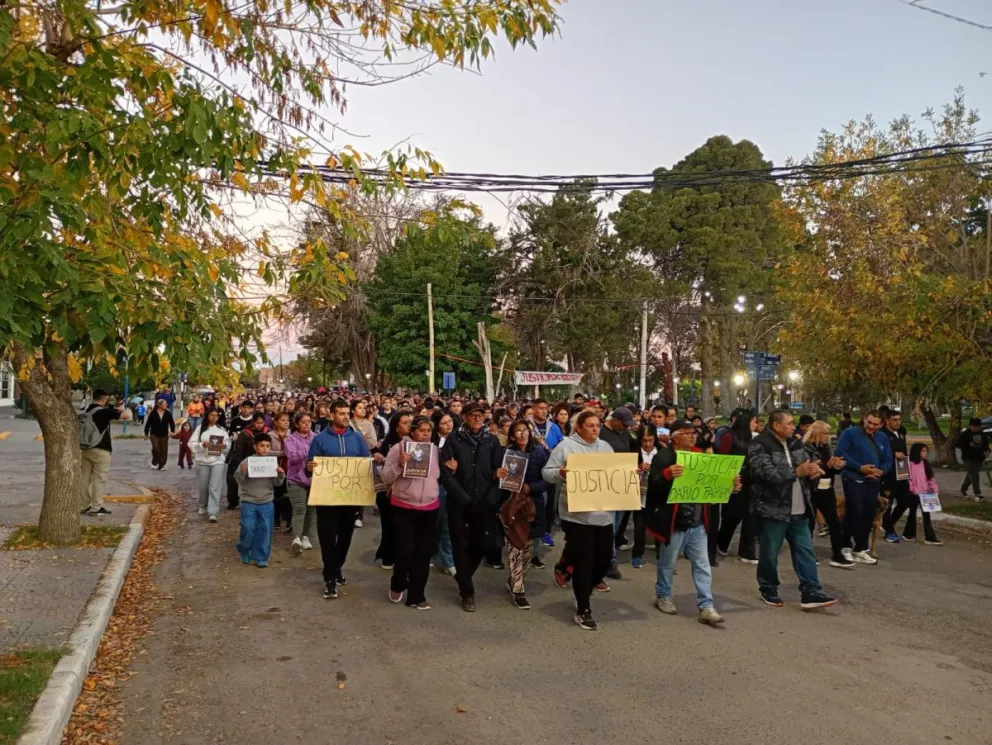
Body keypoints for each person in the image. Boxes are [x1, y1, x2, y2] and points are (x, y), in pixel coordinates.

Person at [646, 418, 739, 625]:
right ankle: (663, 595)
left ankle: (706, 605)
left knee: (702, 565)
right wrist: (666, 475)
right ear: (675, 437)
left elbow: (713, 484)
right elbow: (654, 485)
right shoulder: (663, 457)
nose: (692, 436)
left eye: (693, 433)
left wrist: (730, 485)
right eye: (687, 433)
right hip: (674, 522)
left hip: (697, 522)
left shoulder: (700, 456)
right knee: (667, 563)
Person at [748, 409, 838, 610]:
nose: (792, 427)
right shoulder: (760, 444)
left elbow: (806, 463)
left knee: (805, 551)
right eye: (788, 423)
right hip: (773, 509)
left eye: (792, 423)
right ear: (776, 425)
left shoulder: (795, 443)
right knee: (770, 553)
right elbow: (766, 474)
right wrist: (796, 472)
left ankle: (811, 591)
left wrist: (813, 469)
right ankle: (768, 588)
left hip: (799, 507)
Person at [542, 411, 616, 631]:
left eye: (598, 425)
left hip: (603, 513)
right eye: (590, 425)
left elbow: (615, 473)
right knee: (584, 561)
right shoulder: (566, 447)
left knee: (603, 561)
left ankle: (570, 573)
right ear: (579, 427)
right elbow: (547, 472)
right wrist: (561, 473)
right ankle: (583, 608)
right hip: (576, 515)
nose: (595, 429)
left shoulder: (606, 448)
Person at [439, 402, 507, 613]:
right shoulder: (454, 440)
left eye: (480, 415)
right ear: (465, 417)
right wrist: (462, 497)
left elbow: (499, 471)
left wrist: (491, 499)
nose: (477, 418)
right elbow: (445, 474)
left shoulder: (491, 441)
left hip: (485, 501)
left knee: (483, 543)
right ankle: (467, 592)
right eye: (472, 415)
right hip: (460, 502)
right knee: (459, 544)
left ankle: (463, 575)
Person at [307, 399, 371, 599]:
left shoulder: (357, 438)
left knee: (345, 538)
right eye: (341, 413)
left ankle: (336, 567)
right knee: (327, 538)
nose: (345, 417)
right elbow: (310, 465)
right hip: (326, 499)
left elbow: (365, 462)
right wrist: (310, 467)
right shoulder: (320, 439)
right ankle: (330, 578)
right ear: (332, 415)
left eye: (347, 413)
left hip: (350, 498)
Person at [381, 415, 441, 610]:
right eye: (422, 431)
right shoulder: (398, 449)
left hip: (429, 507)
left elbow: (440, 475)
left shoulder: (435, 451)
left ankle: (417, 595)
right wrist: (399, 464)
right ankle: (398, 582)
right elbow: (385, 477)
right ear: (413, 431)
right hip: (404, 506)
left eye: (428, 431)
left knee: (423, 554)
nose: (426, 434)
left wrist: (451, 468)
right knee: (405, 550)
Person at [499, 419, 550, 608]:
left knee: (528, 545)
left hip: (533, 505)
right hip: (512, 504)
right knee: (515, 544)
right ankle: (518, 589)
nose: (523, 434)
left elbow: (548, 479)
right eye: (518, 431)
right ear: (512, 436)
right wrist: (500, 476)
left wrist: (532, 487)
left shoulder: (539, 452)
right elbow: (497, 478)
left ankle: (516, 579)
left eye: (525, 430)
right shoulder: (506, 453)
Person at [835, 409, 891, 565]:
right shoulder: (850, 433)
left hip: (873, 480)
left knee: (868, 513)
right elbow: (840, 452)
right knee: (854, 511)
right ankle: (845, 546)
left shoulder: (882, 438)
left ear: (881, 424)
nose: (871, 426)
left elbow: (888, 459)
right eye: (869, 422)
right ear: (864, 419)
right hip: (853, 478)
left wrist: (881, 471)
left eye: (875, 424)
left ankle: (861, 548)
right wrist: (859, 468)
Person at [801, 421, 853, 568]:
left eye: (828, 433)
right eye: (824, 433)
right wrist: (826, 465)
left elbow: (830, 469)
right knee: (809, 524)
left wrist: (836, 465)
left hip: (827, 488)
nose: (827, 436)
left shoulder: (827, 448)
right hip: (812, 489)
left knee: (834, 522)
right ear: (816, 433)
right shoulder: (806, 448)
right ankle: (808, 554)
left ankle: (837, 555)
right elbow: (809, 470)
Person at [234, 432, 286, 568]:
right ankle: (244, 549)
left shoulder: (272, 463)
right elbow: (238, 479)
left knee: (265, 530)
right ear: (255, 447)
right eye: (262, 446)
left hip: (266, 501)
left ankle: (261, 556)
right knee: (248, 528)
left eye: (268, 446)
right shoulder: (247, 461)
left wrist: (281, 474)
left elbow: (277, 483)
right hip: (248, 501)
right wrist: (243, 471)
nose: (265, 449)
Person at [716, 409, 759, 565]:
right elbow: (722, 459)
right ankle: (721, 543)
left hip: (751, 481)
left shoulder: (755, 438)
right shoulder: (730, 436)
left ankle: (747, 551)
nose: (756, 424)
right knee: (732, 517)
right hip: (734, 481)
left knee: (750, 517)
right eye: (754, 421)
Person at [79, 389, 126, 516]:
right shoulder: (104, 412)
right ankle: (96, 506)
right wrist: (122, 409)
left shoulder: (86, 411)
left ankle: (83, 505)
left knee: (84, 478)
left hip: (86, 448)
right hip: (101, 449)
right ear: (104, 399)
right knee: (99, 479)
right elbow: (126, 416)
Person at [375, 411, 413, 570]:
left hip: (407, 492)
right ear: (397, 426)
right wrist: (378, 455)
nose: (409, 425)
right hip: (387, 492)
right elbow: (381, 464)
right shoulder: (389, 444)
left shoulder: (415, 443)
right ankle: (387, 556)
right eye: (405, 422)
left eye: (410, 422)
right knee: (389, 525)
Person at [600, 407, 635, 578]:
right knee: (609, 524)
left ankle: (606, 555)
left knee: (616, 524)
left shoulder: (625, 433)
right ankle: (609, 561)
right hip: (605, 484)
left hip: (622, 484)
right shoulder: (601, 433)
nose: (626, 427)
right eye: (623, 424)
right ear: (614, 420)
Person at [284, 412, 316, 555]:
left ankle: (306, 536)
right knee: (299, 508)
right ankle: (296, 538)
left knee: (310, 510)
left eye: (309, 421)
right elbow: (292, 456)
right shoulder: (290, 439)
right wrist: (309, 452)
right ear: (297, 424)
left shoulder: (316, 438)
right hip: (296, 480)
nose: (307, 424)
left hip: (314, 480)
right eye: (303, 422)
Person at [430, 411, 457, 576]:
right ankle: (431, 554)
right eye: (444, 422)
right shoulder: (431, 442)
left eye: (450, 421)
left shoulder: (458, 440)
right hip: (435, 486)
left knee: (448, 524)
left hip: (453, 486)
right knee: (435, 522)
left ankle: (448, 560)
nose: (449, 425)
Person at [191, 408, 229, 522]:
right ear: (207, 416)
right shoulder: (200, 429)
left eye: (216, 415)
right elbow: (191, 444)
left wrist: (224, 446)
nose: (214, 417)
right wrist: (202, 445)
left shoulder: (221, 430)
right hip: (203, 461)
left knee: (215, 486)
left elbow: (228, 444)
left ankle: (213, 511)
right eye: (211, 415)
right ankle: (203, 504)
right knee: (203, 486)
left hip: (218, 460)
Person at [227, 413, 268, 511]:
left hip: (263, 463)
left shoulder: (268, 432)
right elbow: (239, 451)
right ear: (253, 422)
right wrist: (241, 464)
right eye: (258, 423)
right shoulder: (245, 434)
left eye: (262, 423)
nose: (260, 425)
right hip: (247, 461)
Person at [904, 444, 943, 545]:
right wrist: (915, 490)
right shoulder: (910, 464)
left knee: (926, 515)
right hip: (914, 494)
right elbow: (908, 480)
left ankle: (930, 537)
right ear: (917, 452)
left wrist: (935, 490)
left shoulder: (925, 464)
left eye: (926, 451)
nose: (926, 453)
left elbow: (930, 478)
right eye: (923, 451)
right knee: (912, 514)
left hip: (926, 495)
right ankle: (908, 533)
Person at [631, 424, 657, 569]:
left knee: (659, 529)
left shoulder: (661, 453)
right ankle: (637, 555)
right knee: (639, 529)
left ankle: (663, 558)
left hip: (656, 499)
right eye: (644, 440)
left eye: (650, 440)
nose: (647, 444)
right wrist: (637, 467)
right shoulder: (634, 452)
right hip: (639, 498)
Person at [881, 410, 909, 543]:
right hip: (888, 474)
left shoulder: (901, 433)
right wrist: (893, 455)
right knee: (887, 502)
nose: (898, 422)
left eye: (899, 419)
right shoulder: (882, 434)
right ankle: (889, 532)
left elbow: (904, 452)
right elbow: (878, 452)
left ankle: (888, 524)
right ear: (887, 420)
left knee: (905, 501)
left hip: (902, 472)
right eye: (894, 420)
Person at [266, 411, 294, 533]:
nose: (286, 422)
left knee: (289, 496)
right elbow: (266, 451)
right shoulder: (270, 435)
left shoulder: (292, 435)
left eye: (287, 420)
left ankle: (289, 520)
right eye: (283, 420)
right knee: (276, 495)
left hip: (290, 469)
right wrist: (282, 453)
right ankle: (276, 519)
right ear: (276, 422)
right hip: (275, 469)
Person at [957, 417, 989, 501]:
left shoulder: (982, 434)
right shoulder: (965, 434)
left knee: (971, 475)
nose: (976, 428)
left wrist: (987, 451)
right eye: (974, 427)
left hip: (979, 458)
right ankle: (977, 494)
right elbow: (959, 444)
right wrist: (969, 445)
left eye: (978, 427)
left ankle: (962, 491)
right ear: (970, 426)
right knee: (974, 475)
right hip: (968, 458)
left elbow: (986, 445)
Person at [144, 397, 175, 471]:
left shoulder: (168, 413)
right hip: (154, 434)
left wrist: (172, 431)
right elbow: (148, 424)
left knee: (163, 450)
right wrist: (146, 434)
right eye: (164, 404)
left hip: (164, 434)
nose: (166, 405)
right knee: (156, 448)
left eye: (166, 404)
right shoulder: (153, 413)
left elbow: (172, 423)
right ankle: (155, 462)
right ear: (159, 405)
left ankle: (162, 465)